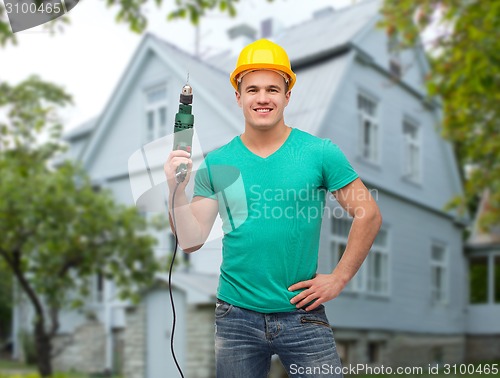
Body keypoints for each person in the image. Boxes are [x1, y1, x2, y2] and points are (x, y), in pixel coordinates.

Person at [164, 39, 382, 378]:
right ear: (238, 97)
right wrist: (175, 191)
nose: (262, 98)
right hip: (235, 318)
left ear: (287, 95)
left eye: (272, 89)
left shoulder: (319, 153)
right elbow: (191, 239)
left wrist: (339, 278)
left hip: (302, 315)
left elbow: (368, 213)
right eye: (252, 89)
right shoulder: (218, 162)